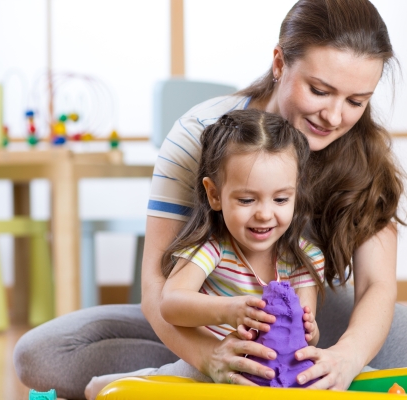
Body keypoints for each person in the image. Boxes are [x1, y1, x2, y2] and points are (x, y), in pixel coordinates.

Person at [14, 1, 407, 398]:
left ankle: (201, 375)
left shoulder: (366, 154)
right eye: (319, 90)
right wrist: (212, 356)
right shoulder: (202, 134)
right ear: (279, 62)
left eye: (357, 101)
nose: (335, 116)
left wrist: (348, 356)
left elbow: (377, 286)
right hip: (204, 299)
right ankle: (194, 366)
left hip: (307, 315)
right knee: (42, 354)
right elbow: (158, 283)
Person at [83, 109, 325, 399]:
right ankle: (120, 384)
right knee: (173, 384)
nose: (264, 214)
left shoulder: (304, 258)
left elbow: (308, 335)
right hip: (212, 366)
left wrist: (309, 329)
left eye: (281, 199)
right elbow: (171, 303)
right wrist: (229, 310)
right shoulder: (213, 248)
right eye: (247, 199)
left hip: (273, 374)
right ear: (214, 194)